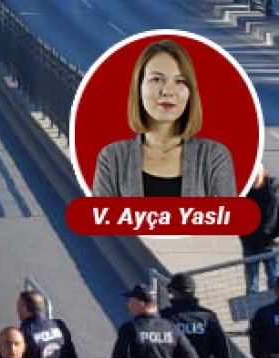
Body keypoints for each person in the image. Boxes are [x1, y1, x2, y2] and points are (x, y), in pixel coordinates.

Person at [92, 40, 235, 198]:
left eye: (180, 81)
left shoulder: (213, 157)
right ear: (139, 88)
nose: (167, 91)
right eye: (156, 79)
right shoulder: (113, 158)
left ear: (190, 93)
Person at [243, 166, 279, 295]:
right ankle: (253, 312)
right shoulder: (245, 190)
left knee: (274, 279)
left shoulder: (273, 190)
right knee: (251, 282)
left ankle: (274, 308)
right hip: (250, 242)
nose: (253, 181)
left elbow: (275, 214)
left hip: (270, 243)